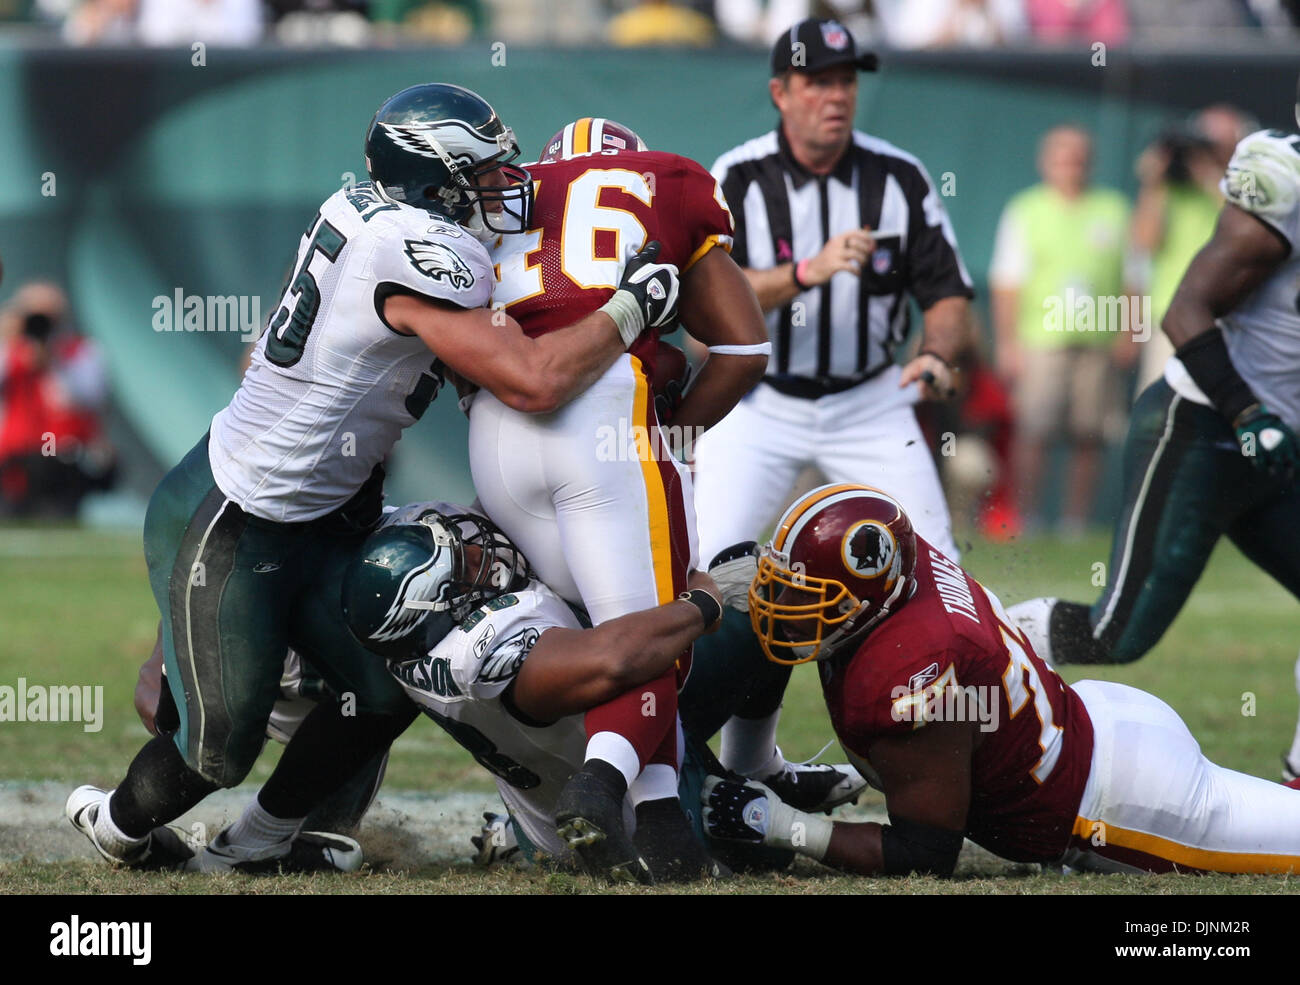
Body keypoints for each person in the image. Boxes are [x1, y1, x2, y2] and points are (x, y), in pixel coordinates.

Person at [65, 83, 679, 870]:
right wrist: (630, 307)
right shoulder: (430, 253)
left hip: (319, 514)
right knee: (217, 747)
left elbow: (271, 358)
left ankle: (256, 845)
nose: (507, 182)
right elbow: (533, 379)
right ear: (435, 181)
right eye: (485, 172)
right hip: (237, 517)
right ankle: (117, 827)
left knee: (379, 694)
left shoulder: (368, 215)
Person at [702, 484, 1300, 876]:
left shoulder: (912, 670)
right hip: (1100, 723)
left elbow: (925, 855)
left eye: (808, 595)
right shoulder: (908, 569)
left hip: (1127, 801)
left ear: (868, 595)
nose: (784, 606)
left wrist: (783, 827)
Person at [471, 117, 771, 878]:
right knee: (646, 628)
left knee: (584, 630)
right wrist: (675, 435)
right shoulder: (663, 181)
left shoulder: (491, 197)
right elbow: (742, 347)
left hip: (494, 431)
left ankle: (662, 814)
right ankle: (601, 783)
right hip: (605, 413)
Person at [1007, 96, 1300, 782]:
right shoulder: (1284, 179)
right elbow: (1186, 311)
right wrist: (1249, 414)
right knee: (1118, 633)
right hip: (1205, 426)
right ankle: (969, 650)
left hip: (1278, 442)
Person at [691, 17, 973, 575]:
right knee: (704, 561)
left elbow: (946, 291)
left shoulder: (900, 178)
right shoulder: (737, 177)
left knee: (937, 568)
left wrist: (936, 353)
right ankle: (710, 666)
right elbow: (703, 316)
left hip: (870, 400)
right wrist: (803, 272)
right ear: (780, 93)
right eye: (817, 81)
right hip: (759, 404)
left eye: (846, 81)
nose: (837, 96)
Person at [991, 124, 1135, 536]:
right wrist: (1007, 342)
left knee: (1089, 434)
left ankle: (1076, 524)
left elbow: (1133, 278)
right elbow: (1007, 281)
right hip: (1042, 339)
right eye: (1062, 157)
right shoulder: (1026, 209)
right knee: (1033, 431)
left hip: (1098, 339)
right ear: (1046, 162)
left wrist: (1130, 333)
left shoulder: (1113, 208)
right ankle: (1028, 517)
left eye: (1078, 157)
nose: (1070, 166)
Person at [1131, 105, 1254, 392]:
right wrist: (1153, 182)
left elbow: (1249, 217)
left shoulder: (1245, 186)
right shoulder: (1173, 190)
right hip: (1174, 317)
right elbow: (1144, 242)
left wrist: (1211, 175)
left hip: (1228, 321)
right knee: (1158, 414)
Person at [0, 282, 116, 518]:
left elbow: (92, 395)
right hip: (14, 459)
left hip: (65, 458)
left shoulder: (79, 352)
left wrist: (54, 361)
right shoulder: (7, 352)